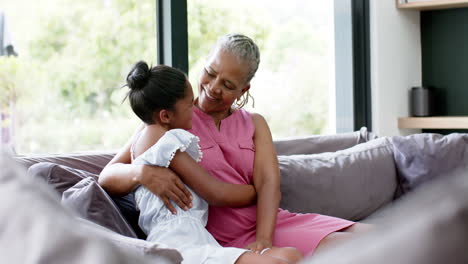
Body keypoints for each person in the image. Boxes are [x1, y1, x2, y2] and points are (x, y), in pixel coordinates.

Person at [99, 33, 370, 257]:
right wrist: (142, 173)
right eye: (210, 73)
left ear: (244, 90)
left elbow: (268, 183)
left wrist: (264, 238)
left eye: (228, 84)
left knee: (375, 238)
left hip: (268, 225)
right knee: (348, 253)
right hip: (217, 236)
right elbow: (107, 175)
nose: (214, 87)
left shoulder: (255, 123)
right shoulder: (169, 122)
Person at [121, 61, 303, 264]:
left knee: (292, 256)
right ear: (165, 116)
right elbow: (216, 193)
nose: (196, 109)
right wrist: (261, 190)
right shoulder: (161, 139)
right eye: (190, 104)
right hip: (178, 244)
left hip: (197, 237)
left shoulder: (156, 137)